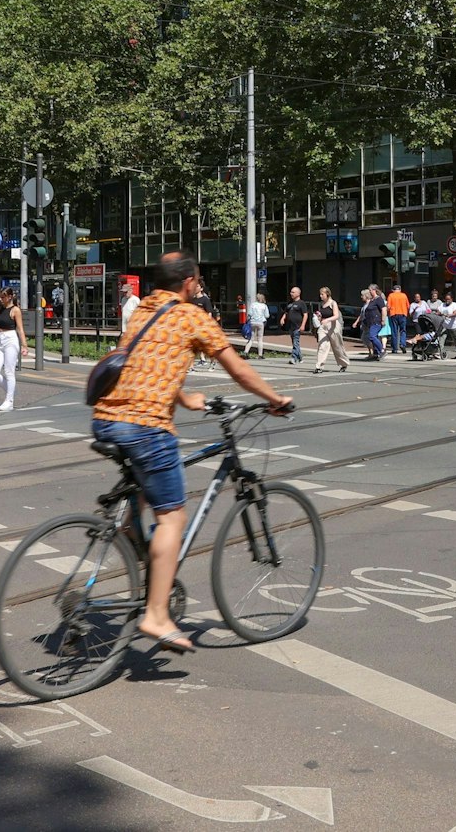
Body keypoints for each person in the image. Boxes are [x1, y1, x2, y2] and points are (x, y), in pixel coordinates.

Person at [92, 251, 294, 654]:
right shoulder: (191, 316)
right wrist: (275, 398)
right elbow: (237, 369)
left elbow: (137, 363)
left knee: (144, 491)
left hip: (105, 416)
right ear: (187, 282)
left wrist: (183, 396)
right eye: (198, 281)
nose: (199, 287)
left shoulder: (142, 310)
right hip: (146, 425)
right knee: (173, 516)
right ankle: (156, 614)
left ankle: (134, 539)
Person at [0, 286, 23, 411]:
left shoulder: (15, 310)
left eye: (3, 297)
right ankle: (11, 390)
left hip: (10, 339)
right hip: (0, 339)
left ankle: (9, 401)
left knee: (9, 371)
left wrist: (24, 345)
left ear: (10, 297)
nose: (0, 299)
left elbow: (20, 328)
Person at [312, 286, 348, 373]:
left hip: (333, 326)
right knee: (322, 346)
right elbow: (322, 314)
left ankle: (343, 364)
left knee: (337, 346)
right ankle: (319, 366)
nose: (320, 296)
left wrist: (327, 320)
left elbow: (336, 315)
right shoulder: (321, 304)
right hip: (323, 326)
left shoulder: (333, 303)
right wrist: (318, 317)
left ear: (327, 294)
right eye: (320, 294)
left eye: (322, 294)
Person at [279, 286, 308, 366]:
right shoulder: (290, 303)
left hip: (297, 326)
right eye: (291, 292)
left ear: (298, 293)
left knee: (295, 342)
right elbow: (286, 312)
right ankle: (300, 357)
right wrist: (283, 318)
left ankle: (294, 358)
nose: (291, 293)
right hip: (291, 327)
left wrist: (303, 325)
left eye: (293, 292)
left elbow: (305, 315)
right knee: (295, 343)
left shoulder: (301, 303)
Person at [359, 286, 388, 361]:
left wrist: (383, 320)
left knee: (372, 336)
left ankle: (382, 350)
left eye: (370, 290)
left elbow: (384, 309)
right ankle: (376, 353)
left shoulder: (379, 299)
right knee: (371, 337)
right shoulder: (372, 300)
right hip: (370, 322)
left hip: (376, 321)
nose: (369, 292)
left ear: (374, 290)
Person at [245, 292, 269, 359]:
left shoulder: (253, 305)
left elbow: (249, 314)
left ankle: (246, 352)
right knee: (260, 339)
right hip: (261, 323)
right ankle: (260, 355)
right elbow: (267, 315)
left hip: (252, 322)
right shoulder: (264, 306)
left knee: (251, 338)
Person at [387, 283, 410, 353]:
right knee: (403, 330)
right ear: (399, 290)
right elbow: (408, 306)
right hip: (403, 314)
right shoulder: (404, 295)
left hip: (393, 314)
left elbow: (388, 306)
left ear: (394, 290)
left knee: (394, 331)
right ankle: (403, 344)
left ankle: (395, 348)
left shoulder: (391, 295)